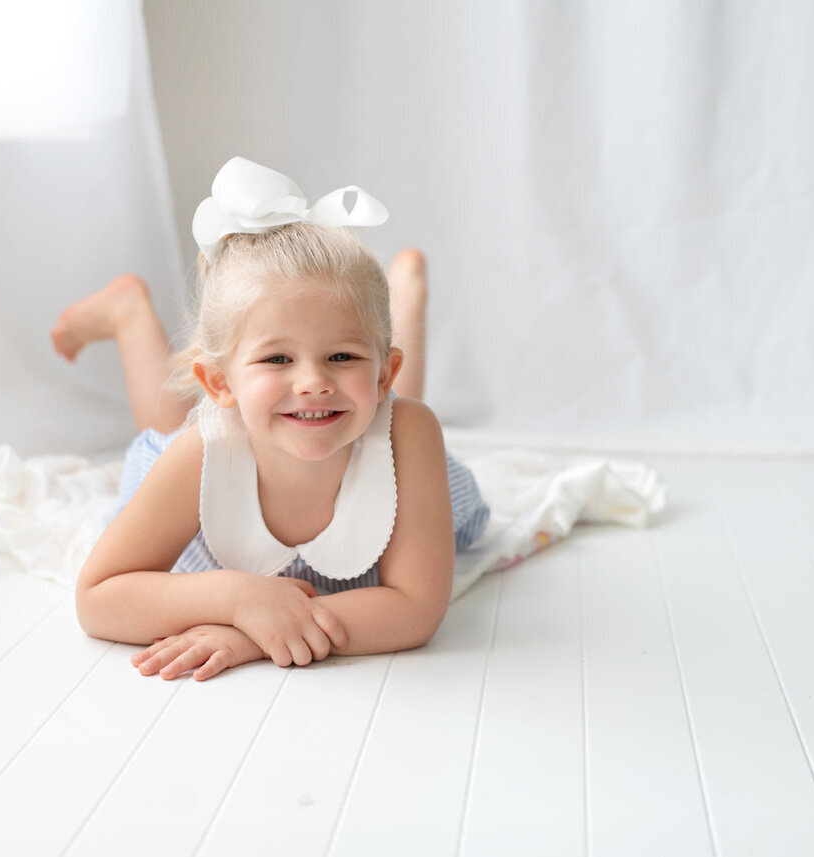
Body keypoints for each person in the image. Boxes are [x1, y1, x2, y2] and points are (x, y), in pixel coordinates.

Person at [56, 158, 489, 681]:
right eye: (278, 359)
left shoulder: (411, 435)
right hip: (212, 465)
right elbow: (97, 598)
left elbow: (416, 609)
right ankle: (128, 315)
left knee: (384, 420)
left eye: (341, 356)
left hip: (381, 429)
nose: (312, 382)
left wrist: (250, 636)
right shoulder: (198, 454)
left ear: (384, 372)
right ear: (219, 382)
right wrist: (237, 598)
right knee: (173, 428)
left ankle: (404, 295)